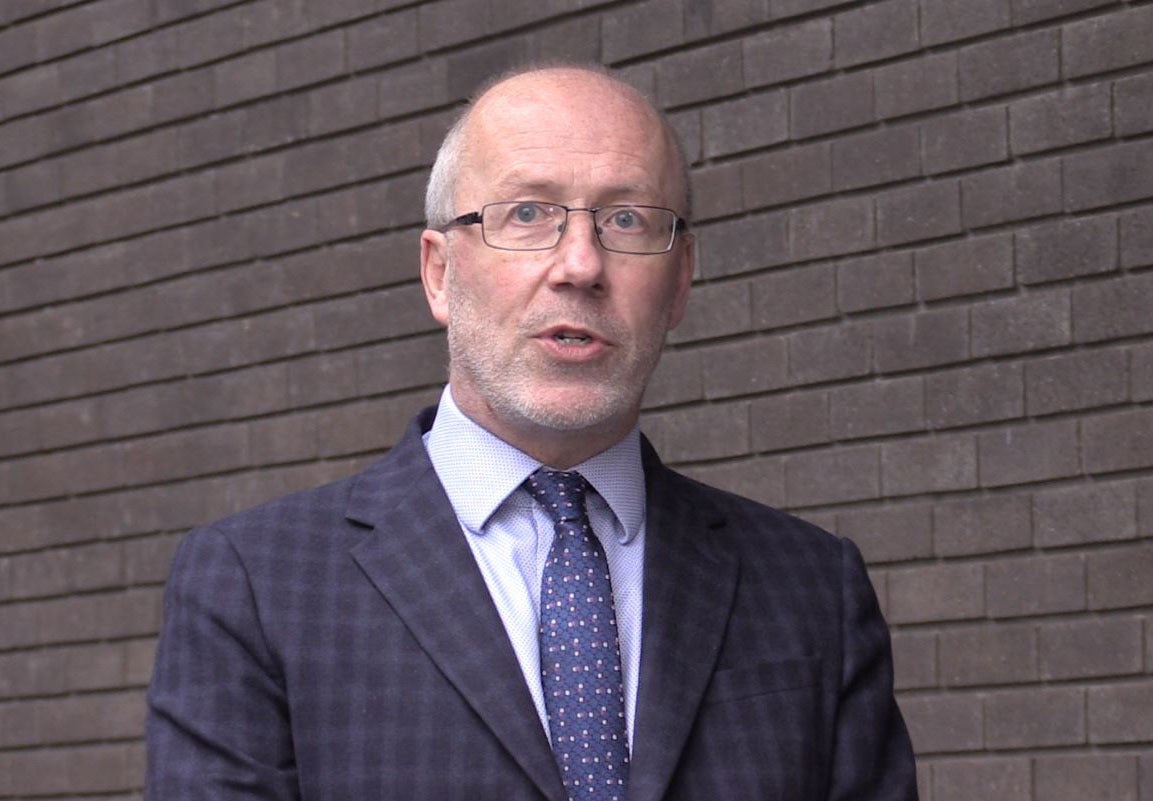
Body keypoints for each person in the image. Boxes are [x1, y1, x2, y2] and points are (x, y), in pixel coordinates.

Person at [146, 64, 918, 801]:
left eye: (625, 219)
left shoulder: (812, 586)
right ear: (439, 273)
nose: (580, 264)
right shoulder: (257, 585)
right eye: (527, 214)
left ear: (679, 281)